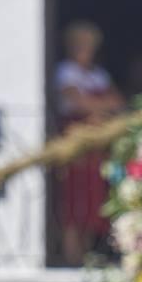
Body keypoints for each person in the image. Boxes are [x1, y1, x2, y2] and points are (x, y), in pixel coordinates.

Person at [53, 20, 124, 265]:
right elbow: (77, 102)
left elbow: (117, 101)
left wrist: (96, 108)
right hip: (76, 146)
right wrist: (98, 109)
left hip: (96, 148)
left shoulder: (98, 74)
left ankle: (90, 256)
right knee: (74, 203)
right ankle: (73, 258)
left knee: (94, 202)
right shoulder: (65, 72)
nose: (85, 49)